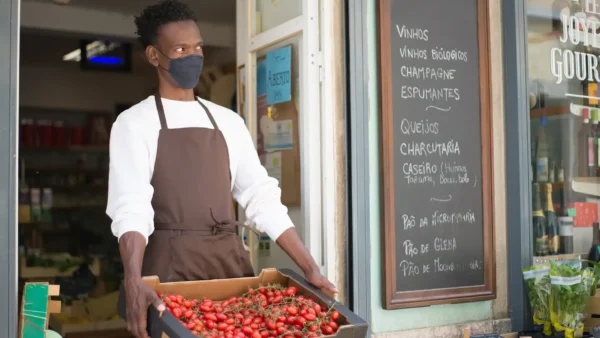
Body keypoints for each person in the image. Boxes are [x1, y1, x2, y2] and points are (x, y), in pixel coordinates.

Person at [106, 1, 337, 337]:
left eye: (198, 47)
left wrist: (310, 268)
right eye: (180, 49)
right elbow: (131, 208)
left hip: (228, 268)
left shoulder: (228, 122)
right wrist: (133, 281)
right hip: (169, 272)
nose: (192, 56)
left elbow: (261, 198)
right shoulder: (133, 124)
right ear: (155, 56)